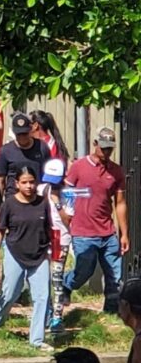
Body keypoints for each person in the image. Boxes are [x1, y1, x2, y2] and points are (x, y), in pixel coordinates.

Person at [62, 126, 129, 315]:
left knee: (114, 274)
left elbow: (120, 203)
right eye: (103, 147)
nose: (106, 151)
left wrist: (124, 234)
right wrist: (67, 218)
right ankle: (67, 284)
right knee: (84, 272)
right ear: (95, 144)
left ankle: (111, 307)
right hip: (83, 232)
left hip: (107, 232)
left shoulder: (116, 171)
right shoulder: (79, 167)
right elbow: (67, 194)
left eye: (110, 148)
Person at [0, 166, 54, 350]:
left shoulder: (43, 202)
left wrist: (51, 251)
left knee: (42, 296)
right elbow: (1, 229)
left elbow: (49, 228)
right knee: (10, 293)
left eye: (32, 182)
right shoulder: (9, 203)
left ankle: (37, 340)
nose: (29, 186)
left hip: (39, 254)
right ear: (17, 184)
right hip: (14, 251)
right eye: (24, 182)